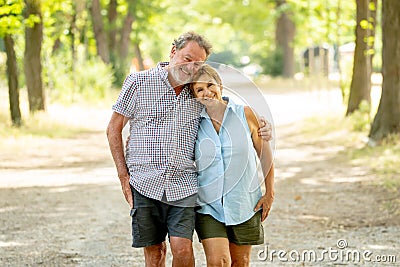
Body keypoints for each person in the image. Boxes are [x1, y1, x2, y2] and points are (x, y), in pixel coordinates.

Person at [106, 32, 272, 267]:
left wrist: (260, 125)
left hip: (183, 184)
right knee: (155, 253)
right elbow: (113, 129)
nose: (191, 67)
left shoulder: (193, 90)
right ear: (173, 52)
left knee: (183, 250)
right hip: (144, 182)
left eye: (198, 63)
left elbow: (218, 99)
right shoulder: (138, 82)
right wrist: (123, 176)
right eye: (187, 58)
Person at [190, 64, 275, 267]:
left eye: (210, 85)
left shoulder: (246, 114)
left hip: (244, 203)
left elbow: (264, 155)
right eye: (199, 90)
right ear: (194, 96)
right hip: (208, 206)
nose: (206, 92)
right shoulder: (193, 123)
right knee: (219, 261)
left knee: (241, 262)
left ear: (220, 85)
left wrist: (269, 192)